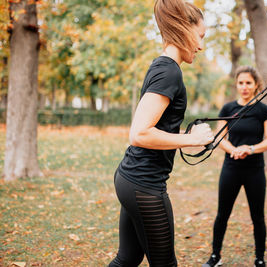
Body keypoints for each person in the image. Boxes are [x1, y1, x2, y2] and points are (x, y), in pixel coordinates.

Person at [108, 1, 213, 266]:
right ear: (183, 28)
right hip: (144, 184)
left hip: (132, 178)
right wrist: (192, 139)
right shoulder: (169, 71)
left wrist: (186, 134)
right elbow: (140, 133)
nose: (200, 46)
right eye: (200, 36)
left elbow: (156, 126)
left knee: (128, 258)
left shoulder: (163, 67)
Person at [202, 66, 267, 267]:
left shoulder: (264, 111)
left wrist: (250, 149)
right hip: (231, 169)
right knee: (222, 215)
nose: (244, 87)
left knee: (258, 217)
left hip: (255, 171)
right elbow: (219, 138)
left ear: (256, 85)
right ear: (236, 85)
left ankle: (260, 259)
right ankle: (215, 256)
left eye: (248, 83)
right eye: (241, 83)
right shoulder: (228, 109)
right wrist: (233, 150)